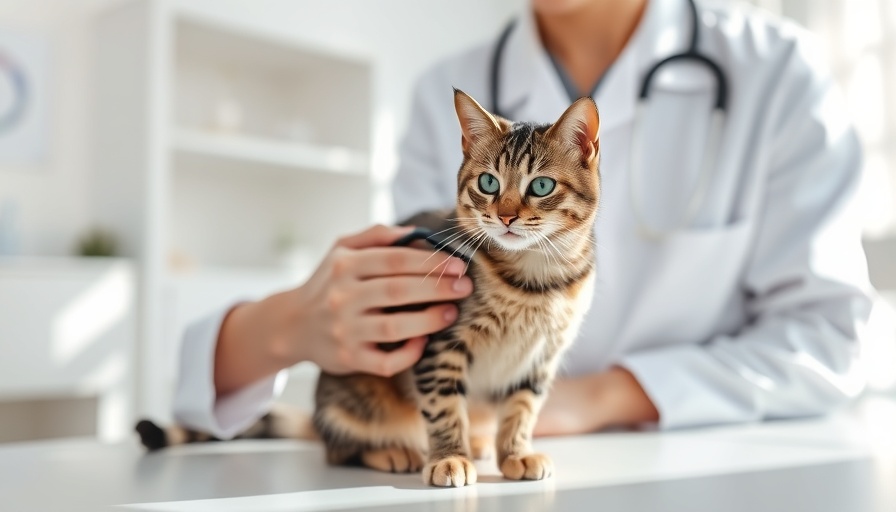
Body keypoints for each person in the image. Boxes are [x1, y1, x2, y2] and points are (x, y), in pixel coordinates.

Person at [173, 0, 874, 440]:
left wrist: (594, 398)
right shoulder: (445, 93)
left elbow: (827, 339)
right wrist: (294, 322)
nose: (507, 208)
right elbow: (416, 327)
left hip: (698, 466)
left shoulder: (779, 72)